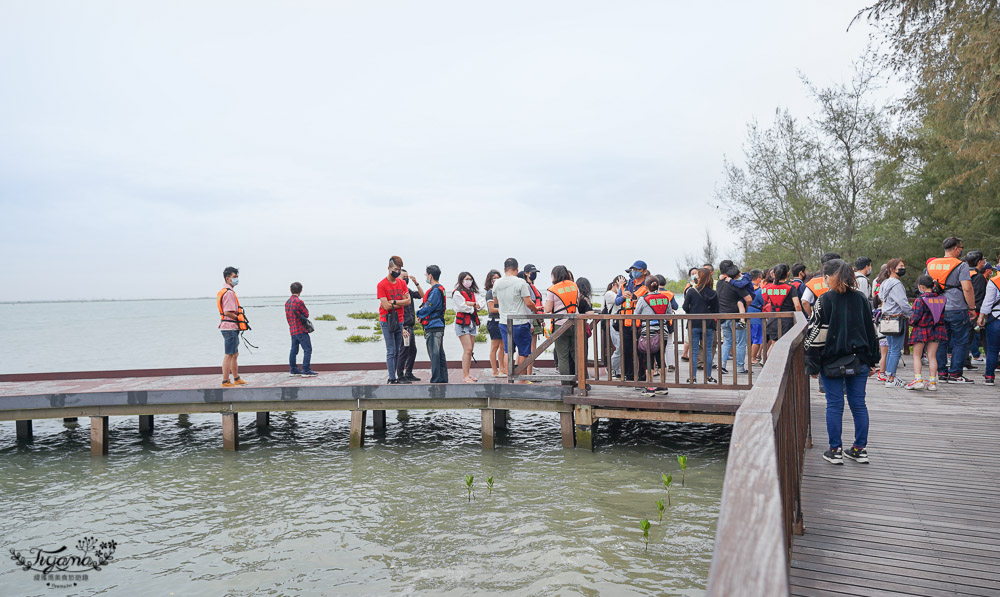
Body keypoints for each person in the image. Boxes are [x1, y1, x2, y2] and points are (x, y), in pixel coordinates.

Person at [804, 259, 879, 465]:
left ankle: (835, 450)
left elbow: (815, 333)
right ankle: (859, 449)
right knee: (859, 404)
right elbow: (871, 330)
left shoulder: (824, 300)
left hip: (832, 361)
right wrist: (873, 360)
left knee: (835, 405)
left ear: (828, 277)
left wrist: (812, 364)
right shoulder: (862, 298)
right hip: (860, 360)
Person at [926, 237, 977, 383]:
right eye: (961, 247)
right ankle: (955, 374)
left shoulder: (932, 265)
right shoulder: (961, 265)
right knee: (960, 341)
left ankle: (941, 373)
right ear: (955, 248)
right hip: (956, 308)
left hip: (936, 307)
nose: (962, 250)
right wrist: (972, 308)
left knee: (940, 341)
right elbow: (967, 288)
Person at [493, 258, 537, 380]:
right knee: (523, 352)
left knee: (508, 351)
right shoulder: (521, 282)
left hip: (504, 322)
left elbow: (495, 301)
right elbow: (528, 302)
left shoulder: (497, 283)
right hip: (520, 322)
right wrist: (536, 309)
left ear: (504, 269)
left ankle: (510, 378)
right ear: (517, 269)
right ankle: (521, 380)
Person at [906, 274, 947, 391]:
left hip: (921, 330)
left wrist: (911, 322)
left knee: (917, 356)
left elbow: (916, 316)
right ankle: (932, 382)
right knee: (932, 356)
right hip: (937, 329)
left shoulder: (920, 300)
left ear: (921, 287)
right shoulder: (942, 299)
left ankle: (918, 380)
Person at [635, 276, 675, 394]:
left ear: (646, 287)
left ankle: (649, 387)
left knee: (649, 359)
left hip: (648, 333)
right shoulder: (665, 298)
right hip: (663, 332)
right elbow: (669, 314)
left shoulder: (643, 299)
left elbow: (636, 314)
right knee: (661, 358)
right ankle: (663, 386)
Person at [377, 256, 412, 385]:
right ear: (389, 268)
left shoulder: (402, 283)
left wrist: (394, 302)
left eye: (399, 269)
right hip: (386, 320)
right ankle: (392, 378)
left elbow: (408, 301)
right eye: (395, 269)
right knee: (391, 350)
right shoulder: (381, 285)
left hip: (400, 319)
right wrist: (400, 303)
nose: (397, 272)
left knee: (398, 349)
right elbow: (385, 306)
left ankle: (397, 375)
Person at [878, 259, 911, 388]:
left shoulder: (885, 282)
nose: (903, 268)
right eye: (900, 266)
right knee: (895, 350)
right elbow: (903, 303)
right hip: (897, 319)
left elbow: (881, 298)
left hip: (887, 319)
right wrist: (913, 314)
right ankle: (891, 378)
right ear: (892, 269)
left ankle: (890, 376)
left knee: (891, 349)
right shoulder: (896, 284)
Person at [544, 265, 579, 386]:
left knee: (562, 356)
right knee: (577, 354)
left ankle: (566, 383)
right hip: (575, 323)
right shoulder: (574, 286)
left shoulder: (552, 289)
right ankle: (584, 381)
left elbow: (547, 309)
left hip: (560, 324)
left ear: (554, 275)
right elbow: (577, 303)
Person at [682, 268, 719, 383]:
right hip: (708, 324)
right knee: (708, 350)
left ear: (699, 277)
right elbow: (716, 310)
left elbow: (684, 307)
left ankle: (693, 377)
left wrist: (692, 311)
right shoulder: (713, 293)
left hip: (694, 323)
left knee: (694, 351)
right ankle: (708, 376)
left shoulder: (692, 291)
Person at [617, 260, 650, 382]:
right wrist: (622, 296)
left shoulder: (647, 285)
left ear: (644, 271)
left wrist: (633, 297)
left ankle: (642, 377)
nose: (634, 272)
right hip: (626, 322)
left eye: (637, 270)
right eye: (633, 270)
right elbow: (617, 301)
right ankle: (629, 376)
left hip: (640, 323)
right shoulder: (627, 285)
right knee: (626, 351)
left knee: (641, 351)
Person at [717, 262, 753, 375]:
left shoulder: (719, 282)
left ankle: (722, 365)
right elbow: (748, 299)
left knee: (727, 341)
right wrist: (745, 310)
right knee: (741, 343)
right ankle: (740, 367)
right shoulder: (735, 283)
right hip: (737, 318)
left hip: (723, 317)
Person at [761, 263, 802, 357]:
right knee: (783, 344)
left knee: (774, 343)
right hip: (786, 320)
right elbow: (797, 305)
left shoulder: (768, 288)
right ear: (788, 274)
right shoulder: (791, 288)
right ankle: (770, 366)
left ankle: (766, 362)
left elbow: (765, 300)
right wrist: (799, 318)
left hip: (772, 318)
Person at [416, 265, 448, 383]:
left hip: (434, 326)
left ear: (430, 275)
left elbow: (429, 306)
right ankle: (443, 378)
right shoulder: (440, 289)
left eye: (426, 275)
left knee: (435, 355)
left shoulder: (435, 291)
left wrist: (419, 314)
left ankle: (436, 380)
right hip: (437, 325)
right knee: (439, 354)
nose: (426, 277)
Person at [217, 266, 248, 387]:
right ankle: (225, 381)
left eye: (237, 277)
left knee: (234, 354)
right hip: (230, 327)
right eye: (234, 277)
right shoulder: (229, 293)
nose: (237, 279)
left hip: (228, 327)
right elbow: (228, 312)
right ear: (227, 278)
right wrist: (240, 319)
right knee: (229, 354)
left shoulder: (225, 291)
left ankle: (236, 378)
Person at [452, 271, 482, 384]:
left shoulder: (473, 292)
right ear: (461, 280)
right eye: (466, 279)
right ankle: (465, 376)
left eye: (470, 279)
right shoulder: (457, 293)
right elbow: (461, 307)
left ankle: (468, 373)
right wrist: (473, 305)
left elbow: (481, 303)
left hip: (472, 322)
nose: (469, 281)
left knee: (470, 351)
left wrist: (471, 304)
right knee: (467, 349)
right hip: (462, 323)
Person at [285, 282, 318, 377]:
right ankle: (306, 370)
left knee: (293, 351)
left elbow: (287, 317)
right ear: (300, 290)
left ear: (291, 290)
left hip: (292, 330)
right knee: (308, 350)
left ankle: (293, 370)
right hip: (301, 330)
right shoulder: (299, 302)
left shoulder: (287, 302)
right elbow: (306, 314)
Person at [396, 269, 424, 382]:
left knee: (412, 351)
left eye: (407, 277)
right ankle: (400, 375)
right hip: (404, 327)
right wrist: (401, 328)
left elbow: (422, 295)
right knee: (403, 351)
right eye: (404, 277)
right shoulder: (397, 292)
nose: (406, 279)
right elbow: (395, 312)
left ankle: (408, 373)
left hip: (410, 327)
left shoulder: (408, 290)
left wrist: (416, 283)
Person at [801, 252, 841, 318]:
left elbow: (804, 301)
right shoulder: (843, 280)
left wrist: (812, 317)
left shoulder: (813, 282)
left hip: (822, 319)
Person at [978, 267, 1000, 385]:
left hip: (996, 320)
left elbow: (988, 302)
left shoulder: (995, 281)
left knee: (992, 349)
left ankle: (989, 376)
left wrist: (981, 316)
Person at [966, 251, 988, 364]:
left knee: (964, 338)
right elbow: (979, 296)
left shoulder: (964, 273)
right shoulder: (979, 277)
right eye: (984, 259)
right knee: (973, 337)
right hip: (974, 311)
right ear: (979, 262)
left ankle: (965, 362)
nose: (985, 262)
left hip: (962, 309)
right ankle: (965, 363)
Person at [603, 276, 626, 379]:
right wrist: (621, 287)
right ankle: (611, 367)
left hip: (622, 322)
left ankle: (618, 371)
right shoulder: (609, 294)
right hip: (614, 322)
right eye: (621, 285)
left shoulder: (617, 293)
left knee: (621, 347)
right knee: (620, 346)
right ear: (615, 284)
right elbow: (618, 300)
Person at [872, 263, 891, 381]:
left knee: (883, 350)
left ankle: (883, 371)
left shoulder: (876, 282)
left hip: (878, 319)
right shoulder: (888, 285)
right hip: (885, 322)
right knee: (886, 352)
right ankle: (883, 373)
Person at [484, 269, 505, 378]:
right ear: (490, 281)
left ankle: (502, 369)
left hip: (502, 321)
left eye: (498, 278)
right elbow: (491, 309)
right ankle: (494, 371)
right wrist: (505, 309)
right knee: (494, 347)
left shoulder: (501, 292)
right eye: (493, 278)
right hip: (494, 322)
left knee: (503, 347)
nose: (496, 280)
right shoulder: (490, 292)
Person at [522, 264, 545, 354]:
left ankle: (528, 366)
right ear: (526, 274)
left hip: (535, 317)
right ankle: (529, 367)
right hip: (531, 318)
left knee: (530, 345)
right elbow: (527, 305)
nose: (534, 275)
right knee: (531, 346)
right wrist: (531, 323)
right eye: (532, 273)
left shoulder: (532, 286)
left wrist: (541, 318)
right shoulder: (526, 286)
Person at [681, 266, 700, 364]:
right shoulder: (689, 287)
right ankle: (685, 354)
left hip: (694, 315)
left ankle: (687, 354)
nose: (694, 275)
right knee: (689, 335)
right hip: (691, 314)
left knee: (690, 335)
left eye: (696, 273)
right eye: (692, 273)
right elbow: (686, 304)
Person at [746, 269, 765, 366]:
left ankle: (750, 357)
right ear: (758, 278)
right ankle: (752, 358)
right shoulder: (758, 290)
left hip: (747, 313)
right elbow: (764, 302)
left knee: (750, 338)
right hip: (756, 315)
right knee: (757, 338)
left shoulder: (746, 288)